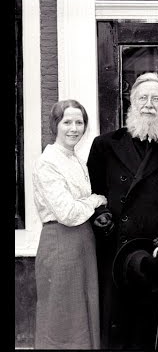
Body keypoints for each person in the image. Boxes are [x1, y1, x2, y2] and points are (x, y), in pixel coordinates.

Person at [87, 72, 158, 350]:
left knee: (156, 328)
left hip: (156, 249)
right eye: (143, 98)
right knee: (119, 325)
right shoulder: (105, 144)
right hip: (118, 247)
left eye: (157, 99)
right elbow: (92, 191)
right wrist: (100, 213)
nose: (149, 104)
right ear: (132, 101)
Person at [32, 99, 107, 349]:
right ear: (56, 125)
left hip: (82, 244)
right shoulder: (48, 162)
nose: (74, 128)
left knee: (82, 314)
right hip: (60, 244)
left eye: (79, 122)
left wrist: (87, 202)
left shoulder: (74, 159)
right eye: (67, 122)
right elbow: (68, 212)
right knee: (61, 317)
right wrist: (95, 199)